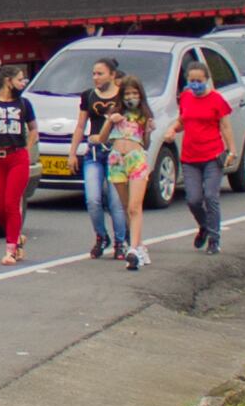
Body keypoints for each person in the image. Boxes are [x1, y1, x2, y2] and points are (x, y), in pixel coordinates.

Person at [169, 53, 235, 254]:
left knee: (211, 197)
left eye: (199, 81)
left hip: (212, 156)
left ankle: (214, 238)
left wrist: (232, 149)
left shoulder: (216, 100)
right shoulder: (187, 97)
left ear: (206, 80)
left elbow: (225, 126)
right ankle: (204, 226)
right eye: (191, 81)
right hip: (190, 157)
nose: (195, 85)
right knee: (193, 199)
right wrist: (172, 129)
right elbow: (183, 120)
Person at [0, 62, 39, 265]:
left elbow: (34, 130)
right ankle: (17, 237)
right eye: (20, 79)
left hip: (17, 158)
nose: (23, 83)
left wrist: (26, 149)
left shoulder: (24, 104)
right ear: (7, 81)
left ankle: (10, 249)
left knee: (12, 203)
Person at [75, 58, 130, 261]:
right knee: (93, 199)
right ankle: (101, 236)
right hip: (94, 152)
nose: (95, 78)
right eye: (94, 74)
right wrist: (73, 152)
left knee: (116, 203)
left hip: (117, 153)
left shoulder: (124, 95)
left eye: (100, 73)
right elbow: (81, 126)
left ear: (112, 75)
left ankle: (120, 241)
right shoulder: (88, 96)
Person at [103, 74, 157, 272]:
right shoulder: (115, 112)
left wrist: (149, 130)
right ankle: (139, 244)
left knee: (135, 206)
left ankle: (133, 249)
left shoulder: (144, 115)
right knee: (126, 206)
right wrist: (110, 121)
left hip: (136, 159)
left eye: (135, 93)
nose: (131, 97)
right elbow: (103, 138)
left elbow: (146, 143)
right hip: (117, 159)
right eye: (127, 93)